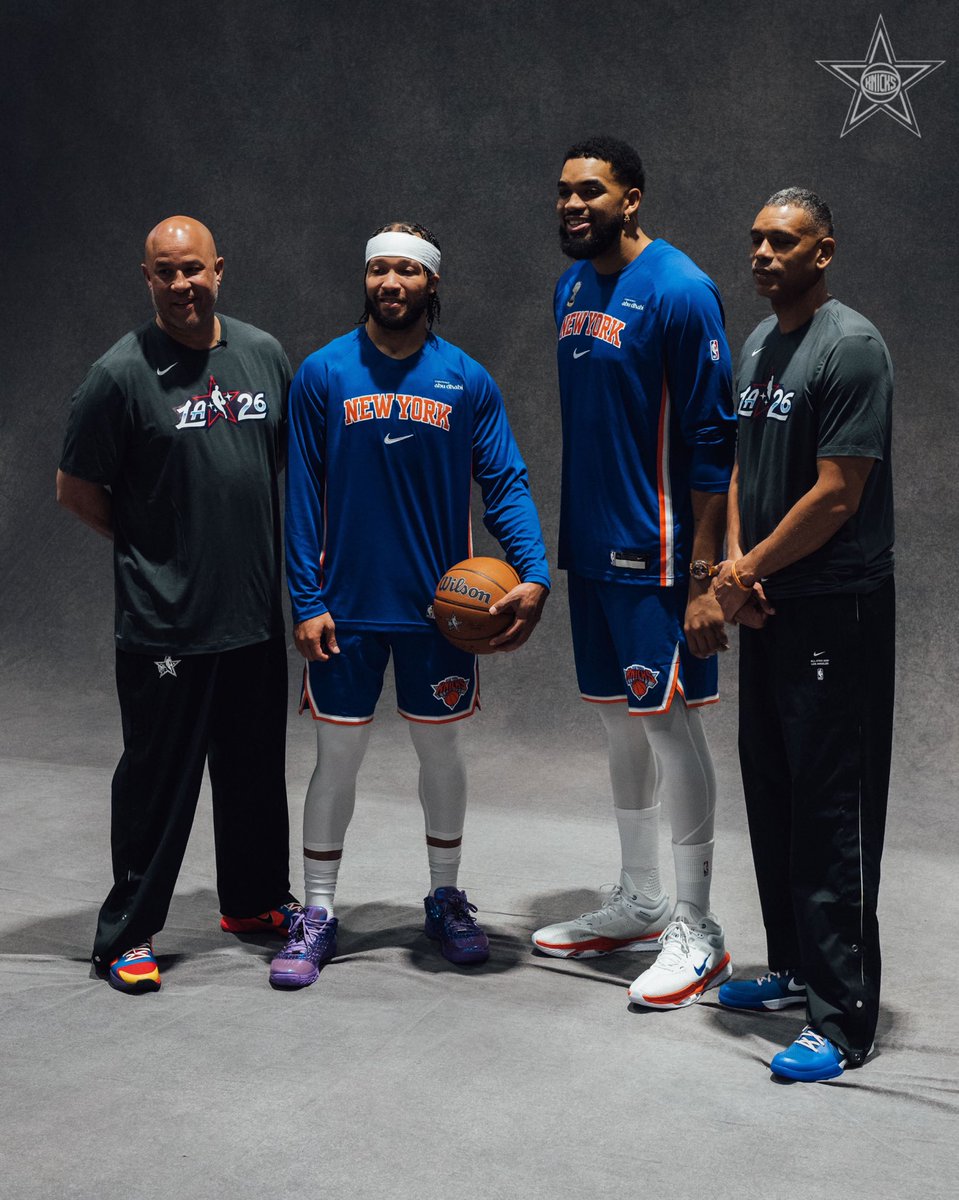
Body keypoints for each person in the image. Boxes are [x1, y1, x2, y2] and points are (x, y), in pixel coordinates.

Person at [272, 221, 550, 988]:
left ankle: (445, 898)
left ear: (432, 282)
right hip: (345, 609)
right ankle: (317, 911)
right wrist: (305, 598)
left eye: (406, 270)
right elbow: (301, 498)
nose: (390, 283)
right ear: (366, 279)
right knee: (336, 759)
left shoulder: (466, 379)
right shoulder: (323, 373)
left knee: (441, 753)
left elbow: (506, 483)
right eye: (378, 270)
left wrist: (533, 573)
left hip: (443, 613)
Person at [57, 216, 299, 994]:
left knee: (254, 771)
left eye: (193, 268)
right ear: (148, 279)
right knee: (157, 782)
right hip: (166, 624)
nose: (182, 284)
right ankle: (126, 934)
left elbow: (274, 468)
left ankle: (254, 902)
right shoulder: (118, 374)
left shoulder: (263, 355)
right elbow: (75, 489)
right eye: (165, 272)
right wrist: (151, 547)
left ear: (218, 269)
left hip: (252, 614)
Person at [531, 137, 738, 1010]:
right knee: (619, 725)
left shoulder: (682, 290)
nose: (572, 204)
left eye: (591, 191)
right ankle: (642, 899)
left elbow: (714, 443)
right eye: (563, 191)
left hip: (656, 554)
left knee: (667, 727)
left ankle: (697, 927)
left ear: (632, 199)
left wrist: (703, 577)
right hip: (592, 547)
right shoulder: (570, 288)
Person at [714, 188, 895, 1082]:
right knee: (774, 791)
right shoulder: (758, 343)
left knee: (829, 813)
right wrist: (736, 567)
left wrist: (746, 571)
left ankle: (843, 1018)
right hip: (769, 601)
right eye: (755, 240)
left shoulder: (850, 346)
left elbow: (835, 495)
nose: (761, 254)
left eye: (781, 242)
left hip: (834, 606)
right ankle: (791, 968)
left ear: (821, 252)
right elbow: (742, 467)